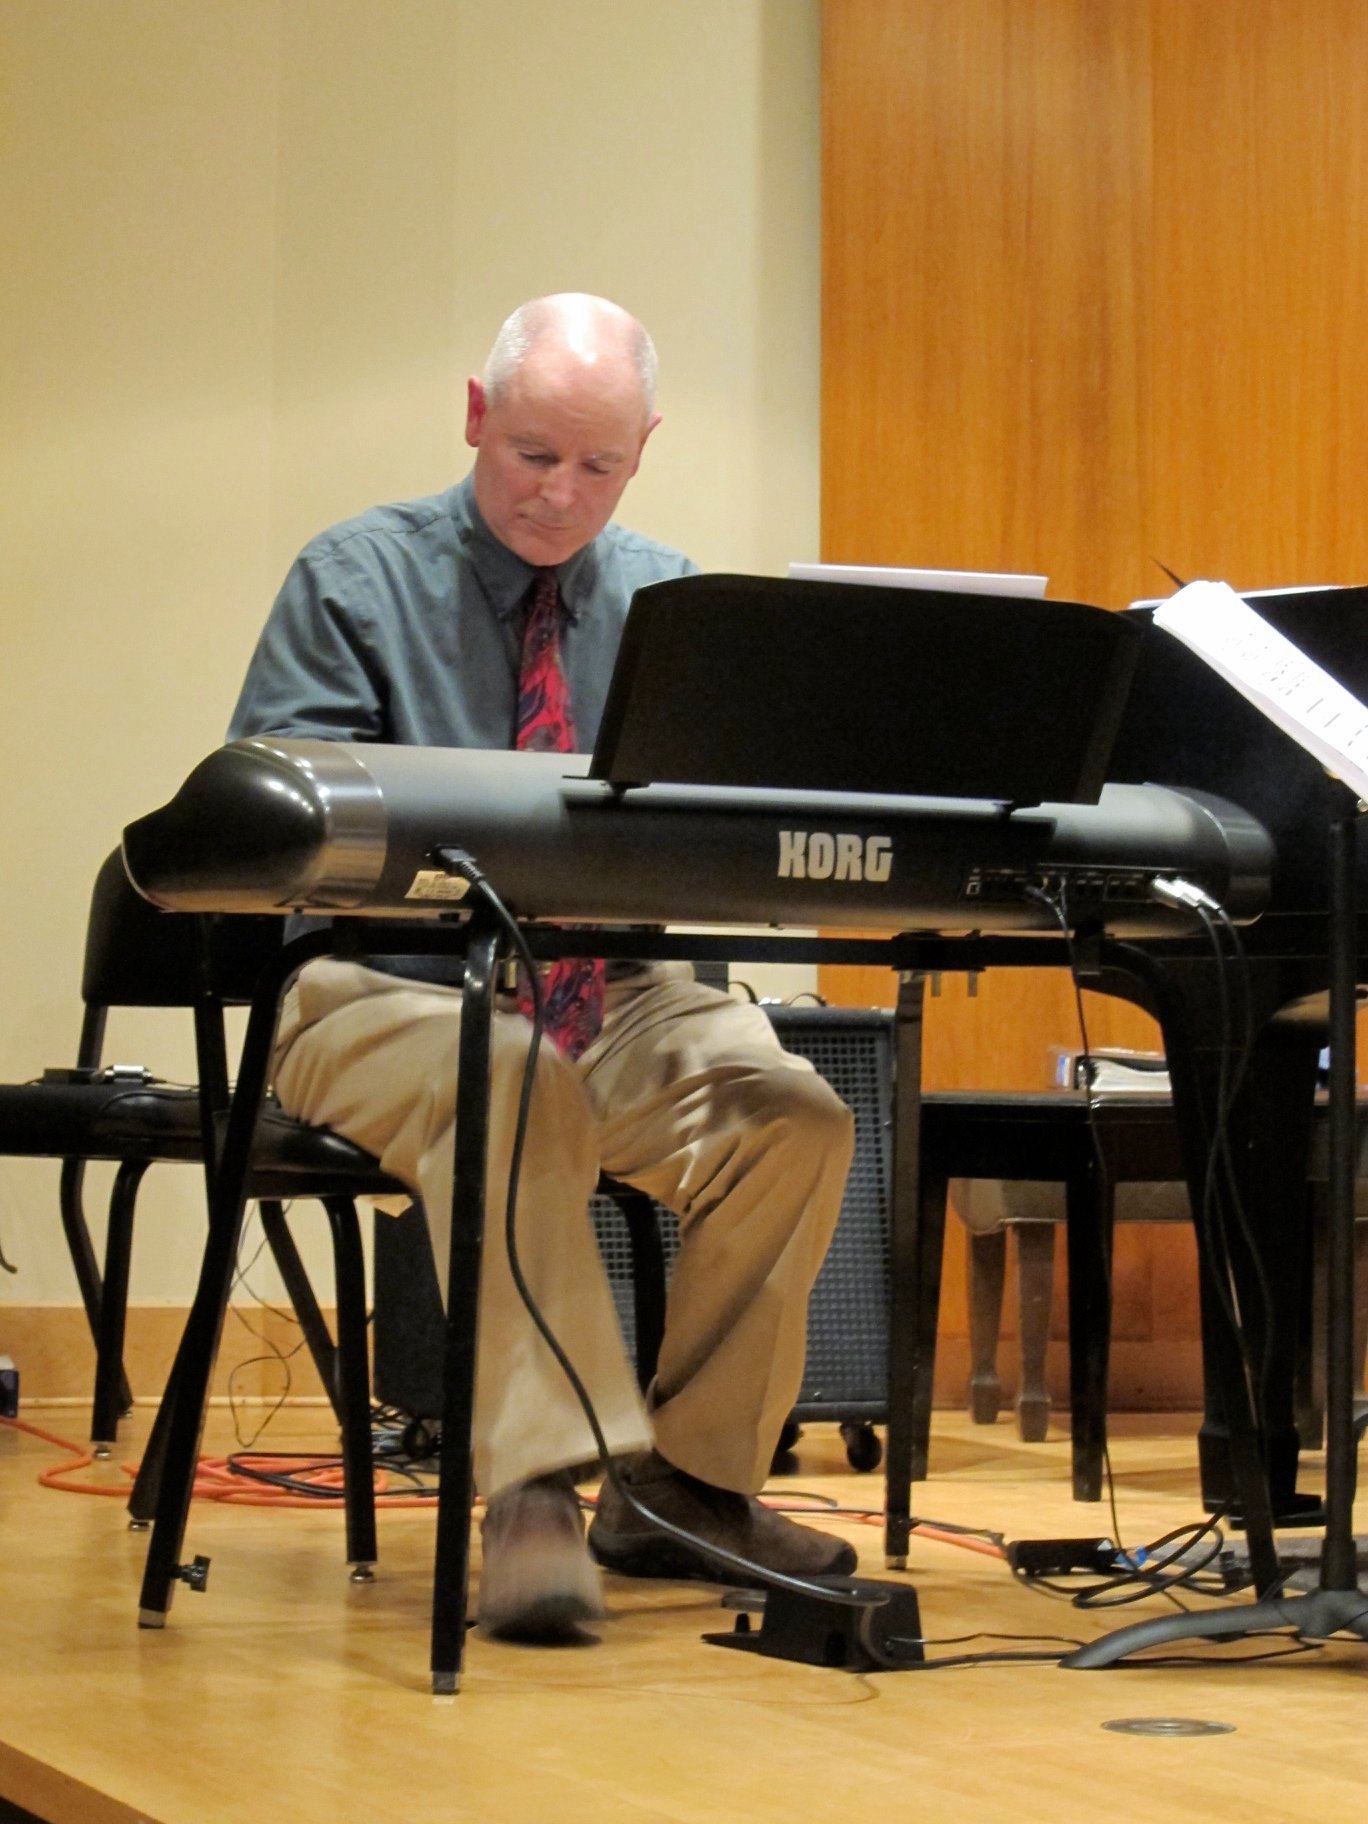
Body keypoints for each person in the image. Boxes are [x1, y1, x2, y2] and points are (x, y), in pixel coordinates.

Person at [229, 293, 857, 1641]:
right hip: (377, 990)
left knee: (793, 1116)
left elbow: (712, 840)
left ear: (645, 450)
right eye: (530, 455)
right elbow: (289, 830)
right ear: (474, 416)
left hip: (607, 990)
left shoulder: (669, 602)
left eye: (598, 466)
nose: (560, 496)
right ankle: (532, 1484)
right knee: (507, 1075)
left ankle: (686, 1488)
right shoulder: (354, 578)